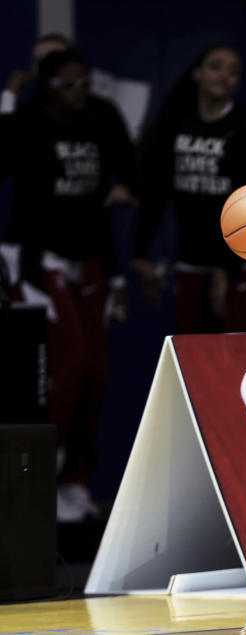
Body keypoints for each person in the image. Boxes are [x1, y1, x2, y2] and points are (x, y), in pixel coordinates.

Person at [0, 49, 138, 521]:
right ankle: (43, 470)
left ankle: (77, 481)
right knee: (69, 366)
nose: (78, 94)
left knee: (97, 374)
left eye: (84, 84)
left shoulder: (101, 118)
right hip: (39, 260)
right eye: (67, 85)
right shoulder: (28, 122)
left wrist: (118, 272)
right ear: (48, 85)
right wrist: (6, 100)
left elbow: (132, 172)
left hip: (92, 260)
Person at [133, 45, 246, 334]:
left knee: (239, 356)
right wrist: (140, 253)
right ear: (197, 73)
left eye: (233, 71)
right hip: (193, 257)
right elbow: (156, 192)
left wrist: (227, 269)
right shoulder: (175, 124)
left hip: (243, 260)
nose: (224, 75)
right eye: (216, 66)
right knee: (193, 354)